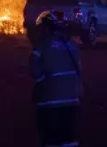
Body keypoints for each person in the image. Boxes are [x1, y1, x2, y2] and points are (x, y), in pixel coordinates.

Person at [30, 10, 82, 147]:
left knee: (50, 138)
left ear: (46, 28)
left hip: (49, 102)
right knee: (69, 137)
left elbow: (36, 75)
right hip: (72, 100)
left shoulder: (40, 48)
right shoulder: (73, 46)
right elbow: (78, 71)